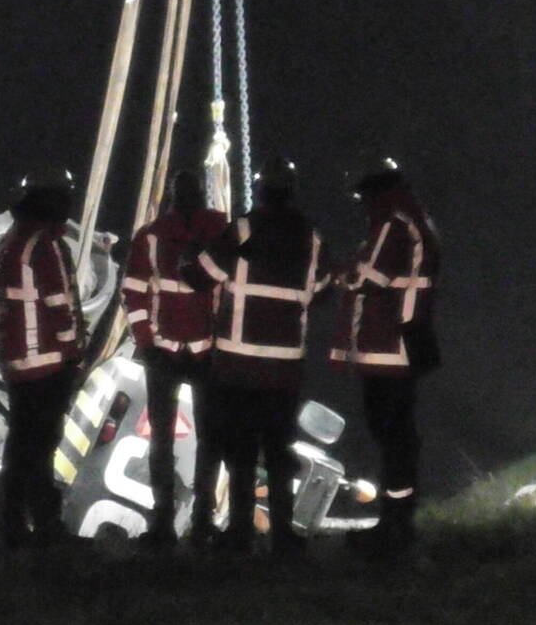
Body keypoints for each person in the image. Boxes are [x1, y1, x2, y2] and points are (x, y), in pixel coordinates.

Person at [182, 156, 330, 556]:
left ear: (262, 190)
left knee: (241, 452)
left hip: (237, 368)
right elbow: (324, 291)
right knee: (280, 452)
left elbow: (197, 276)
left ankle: (241, 534)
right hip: (284, 370)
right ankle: (283, 535)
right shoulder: (312, 239)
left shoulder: (242, 229)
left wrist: (194, 252)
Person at [330, 154, 441, 558]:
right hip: (404, 342)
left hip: (389, 346)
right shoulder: (412, 218)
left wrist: (338, 272)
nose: (361, 204)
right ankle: (397, 517)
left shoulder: (392, 223)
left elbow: (368, 277)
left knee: (391, 434)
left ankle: (394, 523)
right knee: (398, 436)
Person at [121, 170, 228, 550]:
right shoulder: (218, 230)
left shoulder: (152, 234)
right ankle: (194, 521)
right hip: (193, 352)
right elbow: (134, 291)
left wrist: (147, 341)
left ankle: (172, 521)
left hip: (172, 352)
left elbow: (133, 293)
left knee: (168, 440)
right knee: (202, 440)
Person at [0, 166, 86, 549]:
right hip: (46, 363)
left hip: (15, 363)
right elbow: (61, 305)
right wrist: (74, 353)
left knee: (19, 446)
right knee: (42, 447)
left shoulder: (7, 242)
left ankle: (13, 525)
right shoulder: (46, 245)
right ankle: (47, 527)